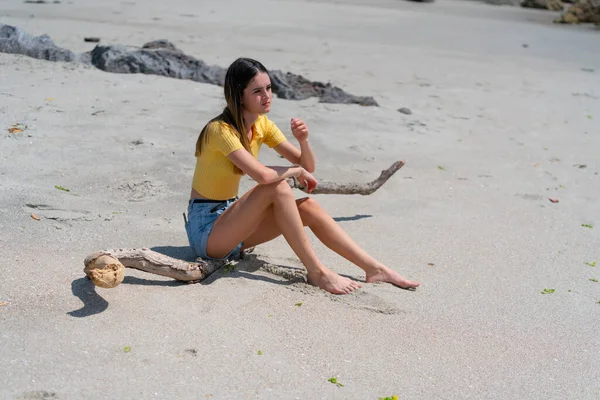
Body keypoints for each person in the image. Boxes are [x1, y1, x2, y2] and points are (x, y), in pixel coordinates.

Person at [185, 57, 419, 295]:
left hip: (234, 226)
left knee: (309, 206)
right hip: (207, 231)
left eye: (269, 88)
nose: (267, 96)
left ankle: (374, 268)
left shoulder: (262, 125)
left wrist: (303, 141)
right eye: (257, 91)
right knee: (276, 187)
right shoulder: (219, 130)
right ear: (239, 95)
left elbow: (307, 164)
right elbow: (264, 176)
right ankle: (316, 272)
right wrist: (296, 171)